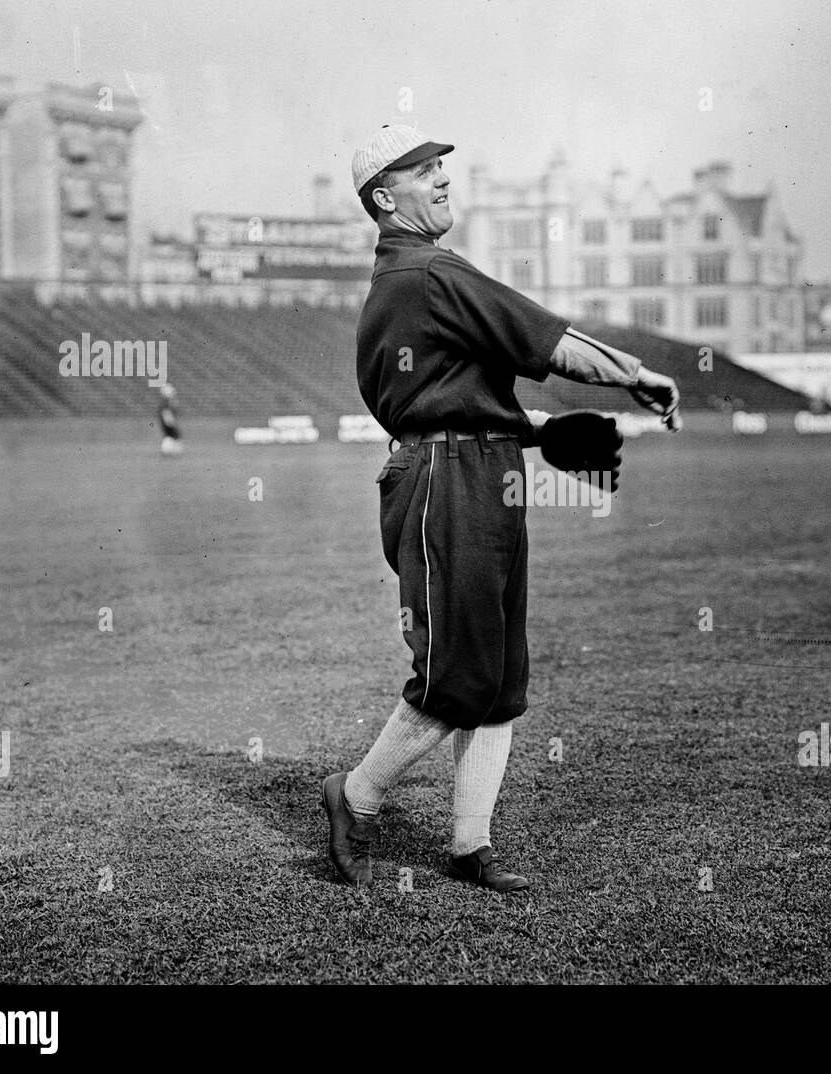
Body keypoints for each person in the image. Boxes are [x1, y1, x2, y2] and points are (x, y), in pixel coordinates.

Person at [322, 124, 680, 892]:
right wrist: (636, 375)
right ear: (386, 198)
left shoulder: (410, 281)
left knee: (501, 672)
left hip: (482, 467)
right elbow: (539, 339)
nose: (443, 178)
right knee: (456, 670)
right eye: (423, 170)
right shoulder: (426, 271)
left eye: (442, 165)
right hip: (446, 481)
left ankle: (468, 844)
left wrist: (537, 432)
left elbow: (448, 396)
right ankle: (356, 795)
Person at [157, 384, 183, 456]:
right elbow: (166, 414)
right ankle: (170, 450)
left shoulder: (167, 403)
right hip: (168, 422)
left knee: (170, 436)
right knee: (173, 435)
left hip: (167, 422)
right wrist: (171, 422)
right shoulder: (166, 404)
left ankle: (168, 450)